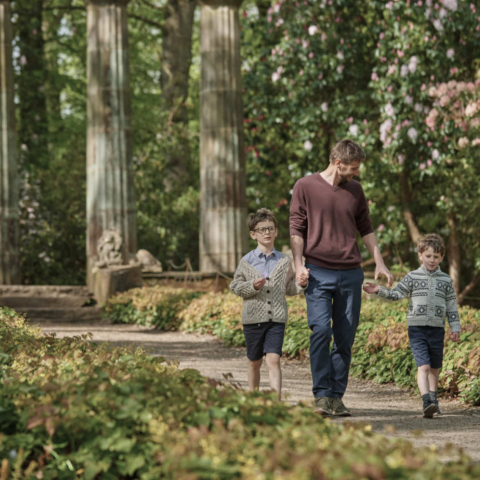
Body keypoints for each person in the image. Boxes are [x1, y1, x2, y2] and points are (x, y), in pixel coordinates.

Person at [290, 139, 393, 416]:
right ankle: (322, 395)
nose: (356, 173)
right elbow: (296, 229)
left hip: (350, 274)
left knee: (345, 339)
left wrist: (380, 262)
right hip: (318, 272)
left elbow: (366, 228)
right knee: (321, 331)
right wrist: (298, 265)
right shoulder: (305, 186)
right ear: (338, 163)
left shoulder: (355, 190)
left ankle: (336, 396)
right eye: (353, 168)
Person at [363, 233, 460, 418]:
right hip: (417, 329)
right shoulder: (412, 276)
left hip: (437, 329)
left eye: (436, 257)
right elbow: (396, 294)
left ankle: (434, 399)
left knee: (434, 367)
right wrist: (379, 290)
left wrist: (455, 327)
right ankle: (426, 402)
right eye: (428, 256)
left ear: (442, 258)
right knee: (423, 367)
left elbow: (452, 306)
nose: (432, 260)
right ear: (420, 255)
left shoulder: (446, 280)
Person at [230, 208, 308, 400]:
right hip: (252, 320)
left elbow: (288, 288)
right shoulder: (246, 261)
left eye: (270, 228)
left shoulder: (284, 260)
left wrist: (301, 284)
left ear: (276, 231)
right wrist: (252, 286)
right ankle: (253, 399)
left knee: (274, 359)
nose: (266, 232)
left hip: (276, 319)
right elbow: (235, 286)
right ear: (253, 234)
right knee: (254, 362)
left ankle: (275, 402)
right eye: (262, 229)